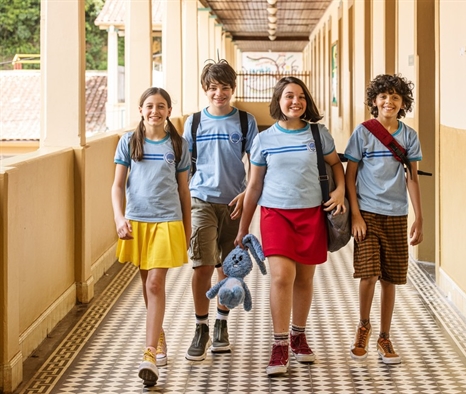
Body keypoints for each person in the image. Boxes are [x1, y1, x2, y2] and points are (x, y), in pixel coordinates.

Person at [235, 76, 346, 376]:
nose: (295, 101)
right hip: (276, 215)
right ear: (278, 101)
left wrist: (340, 191)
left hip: (311, 214)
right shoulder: (265, 139)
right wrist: (243, 228)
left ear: (306, 102)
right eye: (288, 96)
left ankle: (299, 335)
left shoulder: (318, 134)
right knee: (282, 277)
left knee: (305, 279)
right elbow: (254, 185)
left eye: (300, 96)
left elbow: (336, 164)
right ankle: (280, 344)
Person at [111, 87, 191, 385]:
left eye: (161, 106)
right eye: (149, 106)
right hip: (137, 222)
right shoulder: (128, 143)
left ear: (169, 111)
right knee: (148, 285)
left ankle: (148, 353)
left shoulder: (179, 145)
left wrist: (187, 226)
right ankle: (158, 338)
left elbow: (184, 189)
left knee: (156, 283)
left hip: (168, 222)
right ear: (141, 110)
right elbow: (118, 186)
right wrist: (120, 218)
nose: (155, 111)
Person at [344, 73, 423, 365]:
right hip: (367, 212)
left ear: (403, 103)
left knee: (390, 278)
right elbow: (350, 177)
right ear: (374, 101)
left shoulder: (409, 136)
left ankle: (385, 336)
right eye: (383, 96)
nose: (388, 101)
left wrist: (420, 217)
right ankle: (363, 325)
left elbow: (412, 179)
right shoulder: (363, 132)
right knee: (369, 274)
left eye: (395, 97)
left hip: (397, 215)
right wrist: (355, 215)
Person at [182, 59, 259, 361]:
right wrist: (185, 197)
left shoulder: (245, 121)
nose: (219, 93)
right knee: (202, 265)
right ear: (205, 89)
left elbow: (256, 164)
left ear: (232, 89)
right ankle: (200, 327)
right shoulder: (194, 121)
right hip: (201, 199)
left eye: (225, 88)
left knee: (228, 270)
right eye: (213, 88)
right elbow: (185, 163)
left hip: (234, 203)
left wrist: (246, 194)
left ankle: (221, 325)